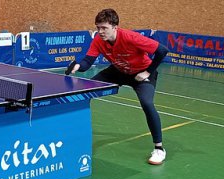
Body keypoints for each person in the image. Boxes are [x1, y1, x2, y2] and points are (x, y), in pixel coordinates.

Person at [66, 9, 169, 165]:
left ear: (115, 27)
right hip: (118, 72)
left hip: (141, 73)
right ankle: (75, 138)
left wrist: (148, 72)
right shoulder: (98, 40)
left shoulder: (130, 37)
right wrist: (78, 66)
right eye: (98, 27)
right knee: (85, 93)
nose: (100, 31)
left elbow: (162, 50)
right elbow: (88, 61)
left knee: (147, 103)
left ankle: (159, 149)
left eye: (104, 28)